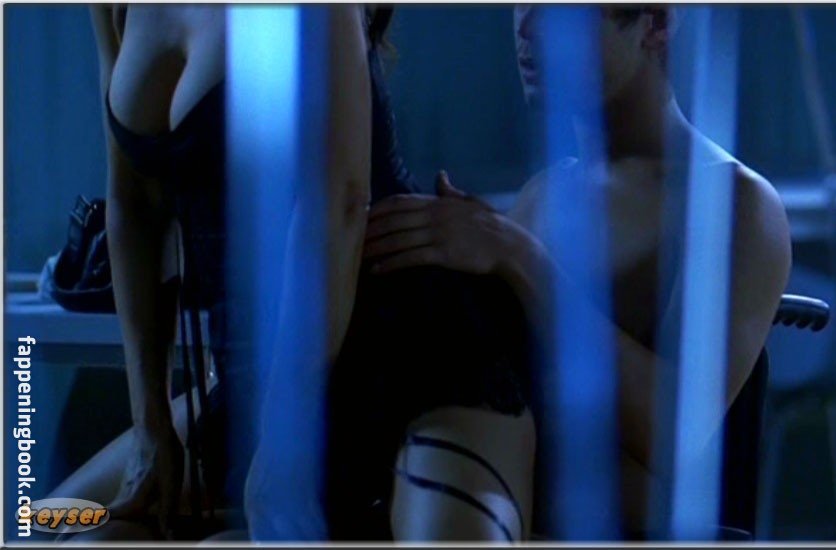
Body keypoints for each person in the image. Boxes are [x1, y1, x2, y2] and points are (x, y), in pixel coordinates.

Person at [49, 4, 537, 543]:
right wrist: (150, 423)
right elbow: (134, 202)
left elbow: (338, 203)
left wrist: (283, 440)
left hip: (403, 344)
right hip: (251, 375)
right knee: (48, 522)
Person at [363, 5, 791, 537]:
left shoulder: (733, 202)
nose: (526, 27)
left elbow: (678, 433)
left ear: (656, 24)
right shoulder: (543, 194)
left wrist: (519, 257)